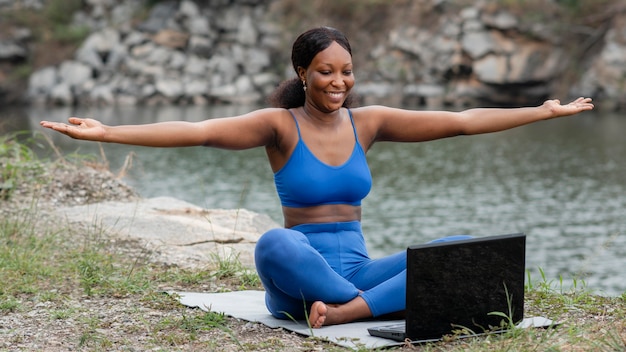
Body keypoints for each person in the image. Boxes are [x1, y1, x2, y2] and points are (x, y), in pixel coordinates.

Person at [41, 26, 594, 329]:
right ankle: (375, 303)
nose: (338, 82)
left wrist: (542, 112)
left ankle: (350, 309)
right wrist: (107, 133)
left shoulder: (368, 123)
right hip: (297, 281)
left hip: (358, 270)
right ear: (303, 73)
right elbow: (200, 128)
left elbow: (461, 121)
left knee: (457, 248)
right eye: (326, 72)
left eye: (346, 72)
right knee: (275, 242)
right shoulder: (278, 126)